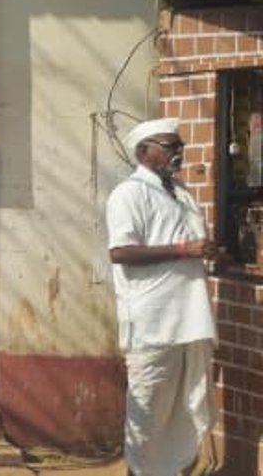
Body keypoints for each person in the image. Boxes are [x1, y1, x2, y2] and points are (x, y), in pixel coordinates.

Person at [106, 117, 219, 476]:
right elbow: (120, 252)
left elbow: (191, 246)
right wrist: (184, 250)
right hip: (153, 326)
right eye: (171, 146)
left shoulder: (182, 193)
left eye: (180, 146)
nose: (179, 152)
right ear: (144, 152)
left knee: (181, 413)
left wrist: (208, 252)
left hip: (189, 323)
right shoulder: (129, 194)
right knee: (148, 414)